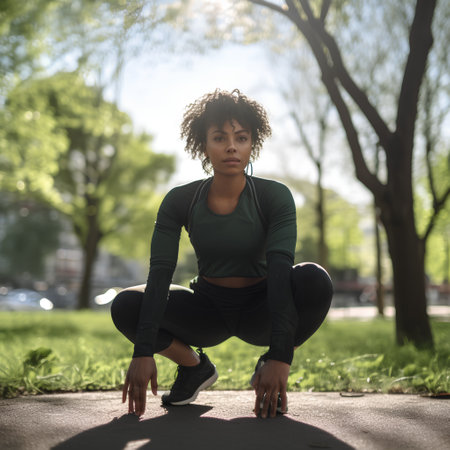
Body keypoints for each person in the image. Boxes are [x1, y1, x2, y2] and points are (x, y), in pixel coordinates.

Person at [111, 89, 333, 419]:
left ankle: (269, 367)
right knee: (126, 304)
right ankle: (194, 367)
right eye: (219, 137)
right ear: (203, 144)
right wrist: (142, 351)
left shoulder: (275, 197)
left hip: (263, 308)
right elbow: (160, 273)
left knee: (314, 278)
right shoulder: (180, 200)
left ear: (251, 143)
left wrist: (281, 357)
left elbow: (280, 271)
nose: (231, 146)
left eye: (241, 138)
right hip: (207, 310)